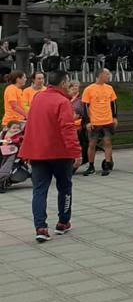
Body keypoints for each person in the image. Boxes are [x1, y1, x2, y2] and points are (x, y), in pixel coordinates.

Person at [23, 70, 80, 242]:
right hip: (60, 153)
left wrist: (27, 150)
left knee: (39, 190)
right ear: (63, 84)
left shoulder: (38, 98)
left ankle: (40, 227)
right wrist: (76, 152)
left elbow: (31, 124)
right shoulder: (63, 102)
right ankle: (63, 222)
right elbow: (68, 129)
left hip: (39, 153)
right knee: (65, 187)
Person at [82, 69, 118, 176]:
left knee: (107, 142)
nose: (108, 76)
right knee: (92, 143)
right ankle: (91, 165)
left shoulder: (109, 88)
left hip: (107, 120)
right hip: (95, 121)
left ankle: (107, 164)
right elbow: (85, 107)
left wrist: (115, 117)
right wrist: (87, 121)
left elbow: (114, 104)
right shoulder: (89, 89)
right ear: (100, 75)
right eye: (106, 74)